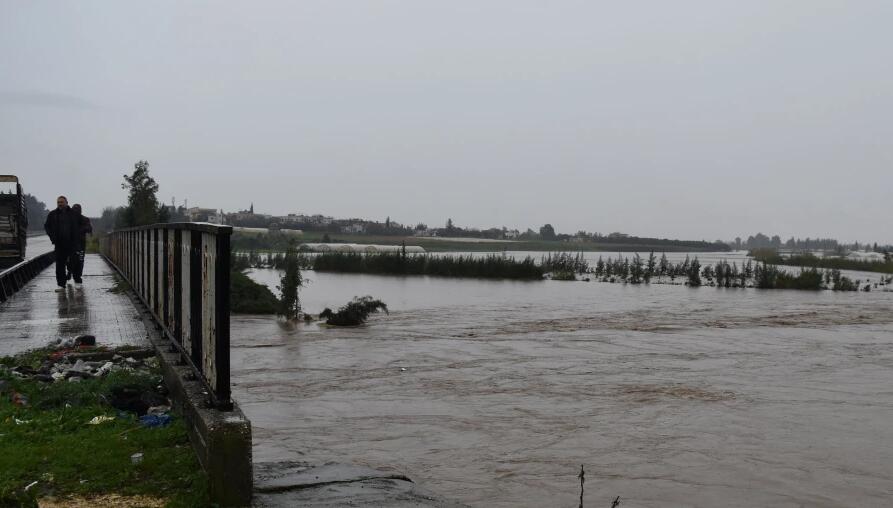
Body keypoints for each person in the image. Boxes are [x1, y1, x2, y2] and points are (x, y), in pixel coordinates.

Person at [43, 196, 79, 291]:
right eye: (58, 202)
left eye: (62, 202)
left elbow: (79, 226)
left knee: (72, 262)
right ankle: (61, 285)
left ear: (66, 202)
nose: (60, 204)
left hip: (71, 243)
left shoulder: (73, 214)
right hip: (59, 243)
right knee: (59, 264)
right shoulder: (53, 214)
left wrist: (77, 238)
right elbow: (47, 226)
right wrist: (52, 237)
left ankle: (70, 272)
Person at [70, 204, 93, 285]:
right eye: (74, 210)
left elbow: (90, 228)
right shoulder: (68, 219)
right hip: (70, 244)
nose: (76, 211)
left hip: (80, 244)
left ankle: (77, 276)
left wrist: (81, 230)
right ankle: (71, 272)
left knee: (80, 260)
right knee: (71, 260)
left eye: (77, 210)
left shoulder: (85, 219)